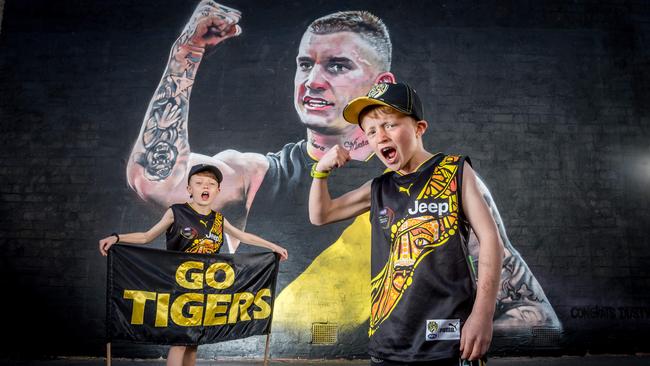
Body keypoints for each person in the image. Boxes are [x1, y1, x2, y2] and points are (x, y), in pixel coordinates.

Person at [126, 0, 560, 351]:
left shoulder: (443, 178)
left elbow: (535, 316)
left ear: (380, 82)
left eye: (335, 66)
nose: (312, 80)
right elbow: (153, 178)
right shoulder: (258, 173)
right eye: (303, 64)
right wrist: (187, 53)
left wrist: (453, 331)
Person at [309, 82, 504, 364]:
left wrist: (483, 316)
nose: (380, 137)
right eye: (372, 131)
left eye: (389, 125)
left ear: (419, 128)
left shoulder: (454, 171)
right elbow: (321, 215)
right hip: (390, 340)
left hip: (449, 336)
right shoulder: (378, 187)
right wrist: (320, 172)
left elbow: (490, 240)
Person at [99, 163, 288, 366]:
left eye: (210, 183)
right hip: (179, 289)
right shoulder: (177, 212)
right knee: (180, 342)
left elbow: (243, 236)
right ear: (190, 189)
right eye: (198, 183)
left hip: (204, 290)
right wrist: (117, 238)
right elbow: (146, 236)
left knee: (193, 343)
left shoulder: (218, 220)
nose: (204, 187)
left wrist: (273, 246)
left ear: (217, 190)